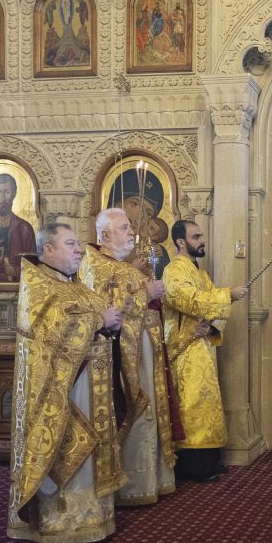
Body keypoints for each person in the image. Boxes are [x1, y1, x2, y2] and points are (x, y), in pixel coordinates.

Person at [7, 223, 126, 543]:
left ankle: (93, 519)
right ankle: (61, 525)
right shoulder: (39, 285)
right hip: (64, 393)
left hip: (91, 388)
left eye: (78, 244)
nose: (79, 250)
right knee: (68, 448)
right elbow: (54, 330)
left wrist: (111, 322)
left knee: (90, 450)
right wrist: (101, 320)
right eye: (71, 244)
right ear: (48, 250)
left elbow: (96, 314)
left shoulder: (73, 284)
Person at [82, 207, 176, 507]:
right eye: (124, 227)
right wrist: (146, 292)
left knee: (149, 409)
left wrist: (143, 284)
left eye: (130, 227)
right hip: (124, 354)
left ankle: (151, 480)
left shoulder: (117, 264)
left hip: (141, 350)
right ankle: (133, 484)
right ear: (105, 235)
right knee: (137, 410)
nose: (132, 232)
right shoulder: (96, 264)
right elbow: (106, 306)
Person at [162, 220, 248, 483]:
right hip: (185, 348)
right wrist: (228, 295)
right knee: (192, 404)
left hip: (202, 345)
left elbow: (210, 297)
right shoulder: (174, 270)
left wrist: (211, 325)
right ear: (180, 241)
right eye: (196, 236)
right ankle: (193, 466)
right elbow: (186, 299)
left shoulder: (199, 271)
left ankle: (209, 460)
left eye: (201, 235)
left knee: (207, 403)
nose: (202, 240)